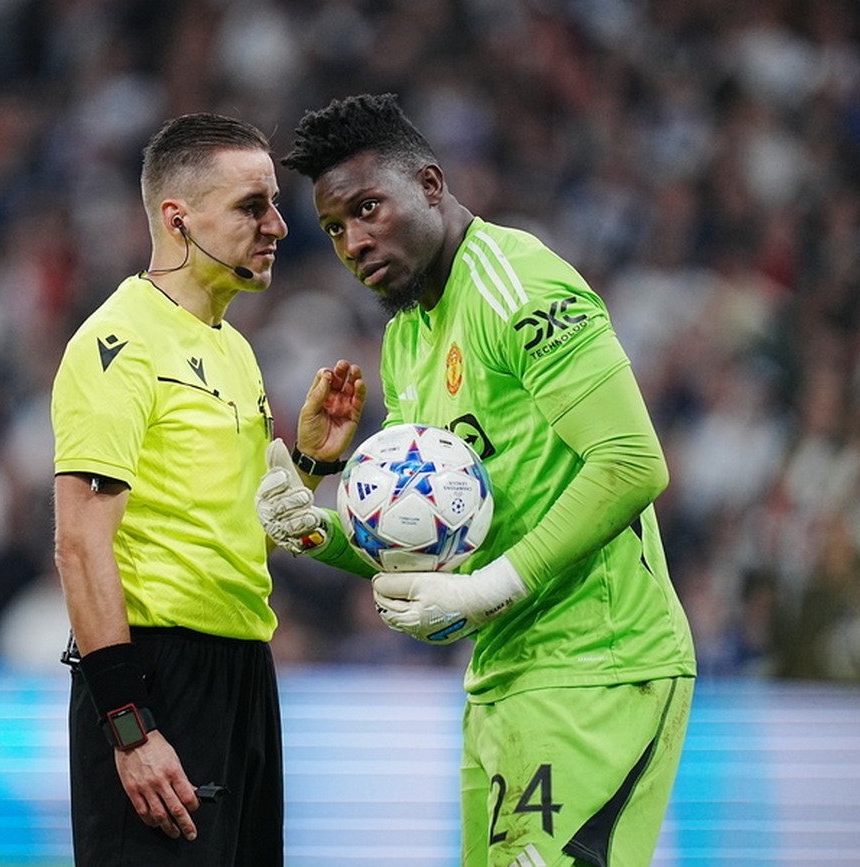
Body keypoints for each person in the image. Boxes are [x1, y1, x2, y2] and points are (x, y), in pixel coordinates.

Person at [257, 94, 696, 867]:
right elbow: (431, 556)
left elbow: (633, 463)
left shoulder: (517, 282)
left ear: (430, 184)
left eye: (368, 208)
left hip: (601, 664)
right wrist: (314, 522)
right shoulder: (408, 338)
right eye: (334, 229)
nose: (354, 242)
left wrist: (490, 585)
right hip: (504, 679)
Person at [51, 112, 364, 866]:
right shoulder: (115, 343)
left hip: (245, 672)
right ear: (177, 217)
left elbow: (241, 536)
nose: (278, 226)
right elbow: (79, 541)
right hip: (155, 675)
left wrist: (312, 464)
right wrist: (129, 726)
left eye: (275, 205)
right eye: (252, 206)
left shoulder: (236, 351)